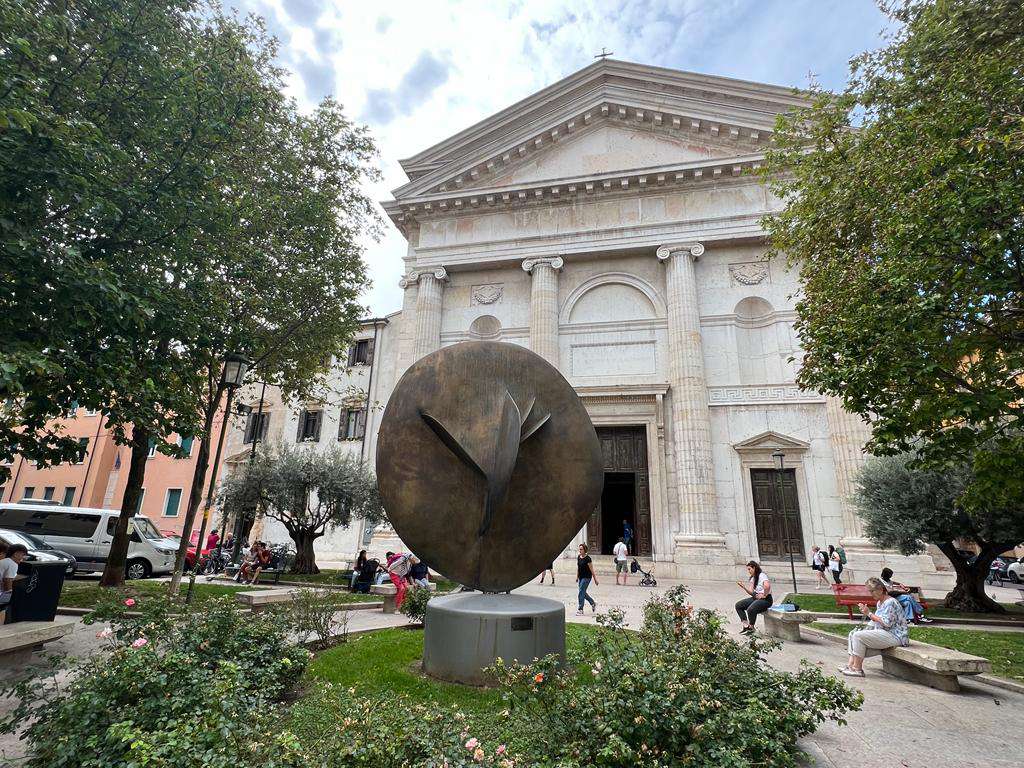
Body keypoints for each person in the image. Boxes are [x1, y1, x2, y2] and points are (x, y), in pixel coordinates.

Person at [841, 576, 909, 677]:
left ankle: (857, 669)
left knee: (858, 636)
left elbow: (887, 623)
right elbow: (876, 621)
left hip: (896, 635)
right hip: (885, 633)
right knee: (853, 633)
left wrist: (868, 613)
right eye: (870, 591)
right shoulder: (880, 602)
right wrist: (867, 625)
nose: (871, 594)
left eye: (872, 591)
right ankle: (851, 665)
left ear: (881, 590)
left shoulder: (890, 602)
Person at [735, 560, 772, 634]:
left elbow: (767, 586)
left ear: (754, 568)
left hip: (766, 600)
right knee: (738, 605)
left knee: (750, 609)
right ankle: (746, 626)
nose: (748, 571)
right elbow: (752, 593)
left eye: (749, 569)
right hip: (756, 597)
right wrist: (744, 587)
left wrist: (764, 595)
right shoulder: (753, 578)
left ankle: (751, 628)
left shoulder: (762, 575)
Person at [0, 543, 27, 624]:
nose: (23, 557)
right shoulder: (12, 564)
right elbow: (7, 580)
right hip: (1, 592)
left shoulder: (4, 561)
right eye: (22, 554)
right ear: (16, 554)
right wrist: (8, 595)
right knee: (2, 610)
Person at [576, 543, 597, 615]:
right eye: (579, 549)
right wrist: (577, 577)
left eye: (581, 549)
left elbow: (592, 570)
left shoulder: (588, 558)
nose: (580, 550)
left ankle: (580, 609)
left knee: (581, 592)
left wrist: (595, 579)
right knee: (582, 592)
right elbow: (578, 568)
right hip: (580, 577)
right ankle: (592, 603)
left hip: (587, 577)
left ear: (585, 550)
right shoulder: (579, 557)